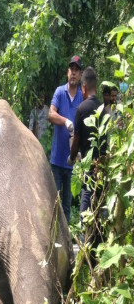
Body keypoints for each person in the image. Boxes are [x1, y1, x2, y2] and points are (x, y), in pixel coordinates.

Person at [68, 67, 106, 247]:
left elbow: (76, 140)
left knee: (85, 213)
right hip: (103, 171)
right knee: (100, 213)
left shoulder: (81, 109)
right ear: (95, 87)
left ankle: (84, 254)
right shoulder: (104, 109)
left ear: (83, 88)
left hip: (89, 171)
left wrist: (71, 156)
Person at [48, 55, 83, 223]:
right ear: (67, 72)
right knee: (53, 203)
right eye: (72, 70)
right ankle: (53, 240)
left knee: (67, 205)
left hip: (72, 161)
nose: (74, 73)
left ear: (80, 75)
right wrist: (65, 121)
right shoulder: (60, 92)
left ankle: (66, 243)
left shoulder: (82, 97)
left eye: (77, 70)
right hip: (57, 160)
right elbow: (50, 114)